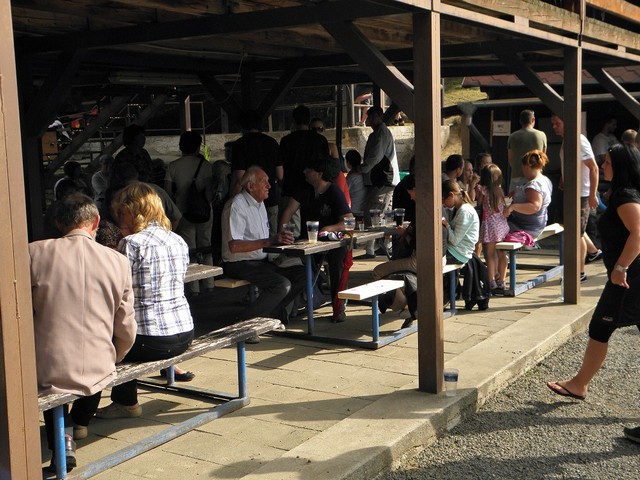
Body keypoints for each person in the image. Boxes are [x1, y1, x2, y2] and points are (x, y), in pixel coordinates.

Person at [30, 193, 136, 472]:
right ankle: (78, 423)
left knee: (51, 376)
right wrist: (117, 354)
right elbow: (126, 324)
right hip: (100, 362)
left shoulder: (33, 253)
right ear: (96, 222)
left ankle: (64, 438)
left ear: (57, 223)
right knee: (98, 374)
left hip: (48, 365)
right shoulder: (118, 261)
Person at [546, 145, 640, 429]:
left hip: (628, 278)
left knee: (600, 326)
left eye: (608, 162)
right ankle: (579, 383)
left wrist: (621, 267)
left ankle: (579, 384)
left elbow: (638, 232)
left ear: (620, 166)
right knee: (601, 328)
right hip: (628, 276)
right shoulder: (624, 193)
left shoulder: (625, 195)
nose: (603, 165)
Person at [96, 183, 195, 419]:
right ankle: (124, 399)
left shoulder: (132, 243)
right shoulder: (177, 240)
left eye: (122, 213)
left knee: (105, 339)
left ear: (135, 211)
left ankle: (122, 403)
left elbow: (116, 292)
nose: (118, 219)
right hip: (185, 333)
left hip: (150, 341)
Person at [221, 166, 306, 341]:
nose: (269, 185)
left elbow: (263, 240)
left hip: (261, 260)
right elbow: (234, 246)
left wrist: (280, 241)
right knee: (281, 285)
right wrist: (270, 241)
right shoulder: (237, 205)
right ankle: (245, 325)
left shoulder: (260, 204)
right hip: (238, 263)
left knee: (303, 274)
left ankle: (268, 315)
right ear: (250, 186)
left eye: (269, 181)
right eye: (264, 182)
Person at [281, 155, 352, 323]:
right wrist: (281, 233)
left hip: (332, 243)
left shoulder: (333, 191)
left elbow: (349, 222)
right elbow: (287, 212)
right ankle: (292, 306)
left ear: (319, 174)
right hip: (308, 242)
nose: (304, 171)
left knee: (337, 263)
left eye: (309, 169)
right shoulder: (304, 188)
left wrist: (329, 228)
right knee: (292, 263)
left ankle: (338, 307)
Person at [551, 114, 600, 282]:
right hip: (571, 192)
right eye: (553, 124)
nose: (554, 127)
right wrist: (563, 178)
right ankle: (593, 251)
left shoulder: (579, 140)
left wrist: (592, 194)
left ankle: (579, 273)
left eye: (557, 123)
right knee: (573, 229)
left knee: (575, 234)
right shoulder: (568, 139)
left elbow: (593, 168)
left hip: (581, 194)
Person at [165, 131, 214, 295]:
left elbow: (167, 192)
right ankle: (209, 283)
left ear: (181, 146)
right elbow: (209, 192)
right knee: (206, 245)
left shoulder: (173, 166)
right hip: (204, 210)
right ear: (198, 147)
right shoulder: (205, 165)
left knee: (189, 248)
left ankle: (193, 287)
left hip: (182, 211)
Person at [230, 109, 283, 235]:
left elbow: (240, 178)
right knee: (272, 237)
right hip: (271, 197)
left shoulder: (240, 144)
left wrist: (231, 199)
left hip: (249, 200)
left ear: (242, 125)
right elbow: (280, 174)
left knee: (251, 236)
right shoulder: (272, 142)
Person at [360, 105, 400, 256]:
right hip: (379, 179)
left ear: (378, 117)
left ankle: (372, 248)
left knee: (374, 213)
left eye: (371, 117)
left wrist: (362, 168)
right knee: (381, 214)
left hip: (384, 179)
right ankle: (383, 245)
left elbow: (375, 157)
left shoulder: (382, 133)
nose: (369, 120)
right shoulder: (376, 134)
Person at [503, 150, 553, 239]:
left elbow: (535, 206)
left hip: (526, 228)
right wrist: (515, 194)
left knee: (495, 229)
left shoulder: (534, 185)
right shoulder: (545, 180)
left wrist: (512, 207)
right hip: (537, 226)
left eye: (523, 168)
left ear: (527, 167)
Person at [476, 164, 510, 293]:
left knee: (489, 255)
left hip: (489, 225)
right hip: (501, 226)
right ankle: (502, 280)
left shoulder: (483, 190)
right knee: (502, 254)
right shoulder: (500, 191)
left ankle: (491, 281)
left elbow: (479, 203)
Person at [507, 109, 547, 192]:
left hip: (517, 176)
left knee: (516, 199)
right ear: (533, 120)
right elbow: (543, 157)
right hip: (535, 176)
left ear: (520, 121)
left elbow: (510, 159)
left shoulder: (512, 136)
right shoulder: (541, 135)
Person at [442, 179, 480, 265]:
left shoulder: (465, 211)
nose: (443, 204)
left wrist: (447, 226)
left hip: (458, 254)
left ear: (451, 195)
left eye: (444, 200)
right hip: (455, 250)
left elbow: (455, 240)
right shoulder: (458, 209)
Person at [345, 149, 366, 218]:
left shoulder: (351, 177)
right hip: (365, 209)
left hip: (354, 210)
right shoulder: (364, 173)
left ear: (348, 162)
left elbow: (344, 192)